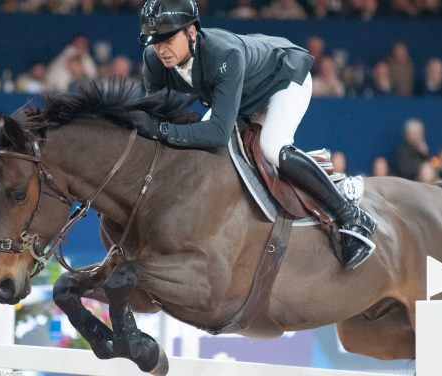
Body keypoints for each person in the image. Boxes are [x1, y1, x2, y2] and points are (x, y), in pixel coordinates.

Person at [131, 0, 377, 269]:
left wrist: (162, 129)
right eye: (154, 40)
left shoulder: (222, 54)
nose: (161, 48)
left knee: (272, 147)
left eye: (167, 38)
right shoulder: (153, 60)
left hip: (283, 77)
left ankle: (349, 214)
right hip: (243, 93)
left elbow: (216, 132)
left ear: (191, 32)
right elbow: (156, 119)